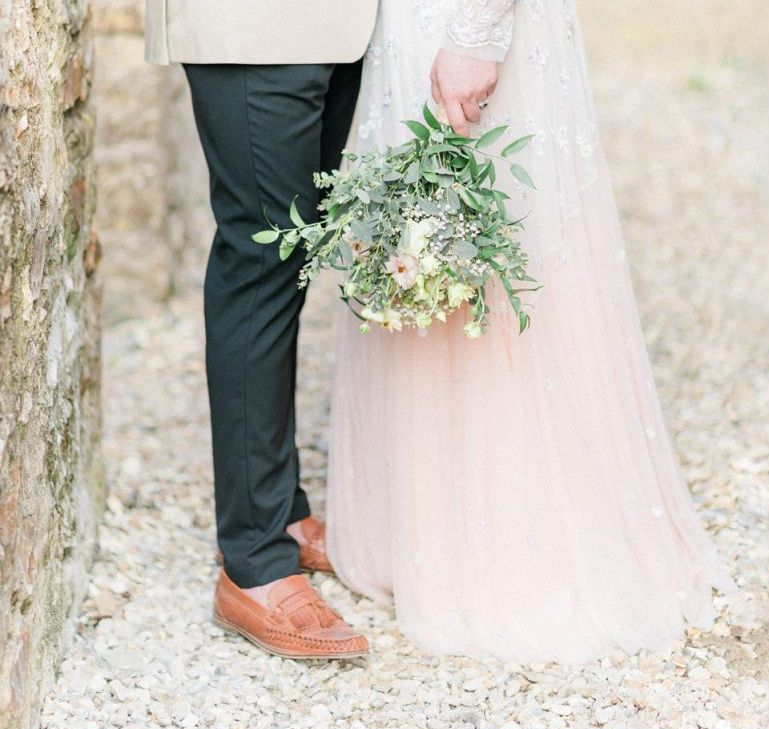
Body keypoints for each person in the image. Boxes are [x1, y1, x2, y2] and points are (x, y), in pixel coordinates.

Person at [325, 0, 734, 664]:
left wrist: (475, 33)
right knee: (421, 237)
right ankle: (423, 531)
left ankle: (512, 548)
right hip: (406, 23)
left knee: (501, 233)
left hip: (467, 24)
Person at [143, 0, 378, 659]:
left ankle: (280, 509)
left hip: (334, 24)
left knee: (292, 257)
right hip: (251, 26)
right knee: (260, 256)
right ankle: (253, 560)